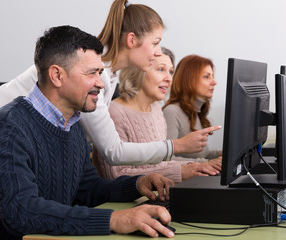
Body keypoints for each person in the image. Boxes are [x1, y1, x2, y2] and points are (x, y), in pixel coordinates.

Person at [0, 0, 220, 182]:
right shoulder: (97, 73)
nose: (158, 53)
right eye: (155, 43)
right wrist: (174, 146)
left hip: (9, 131)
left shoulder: (107, 75)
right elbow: (113, 151)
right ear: (131, 40)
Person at [0, 25, 175, 240]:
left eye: (100, 73)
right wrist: (114, 220)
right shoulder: (8, 127)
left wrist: (137, 185)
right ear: (57, 75)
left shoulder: (72, 126)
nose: (100, 84)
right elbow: (22, 212)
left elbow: (87, 190)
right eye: (91, 73)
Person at [93, 47, 220, 182]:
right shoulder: (114, 112)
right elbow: (117, 174)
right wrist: (183, 170)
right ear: (138, 71)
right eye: (161, 69)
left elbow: (163, 164)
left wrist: (195, 166)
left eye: (171, 72)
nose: (169, 79)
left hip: (155, 192)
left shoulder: (156, 110)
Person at [162, 55, 222, 168]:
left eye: (212, 76)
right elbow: (166, 159)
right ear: (188, 80)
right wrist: (206, 164)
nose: (214, 82)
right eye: (206, 77)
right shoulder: (172, 112)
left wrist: (224, 155)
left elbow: (203, 155)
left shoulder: (195, 112)